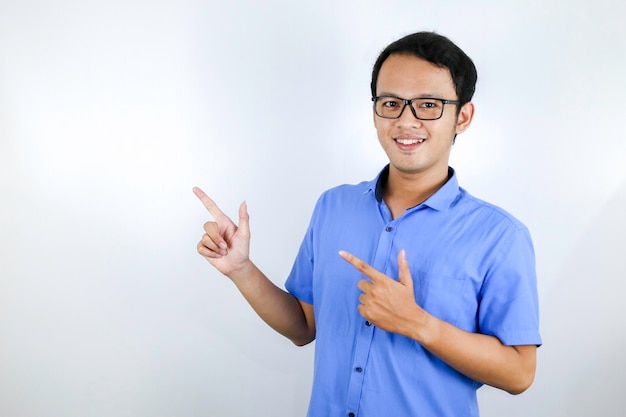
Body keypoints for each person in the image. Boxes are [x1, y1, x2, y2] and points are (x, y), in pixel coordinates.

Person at [193, 31, 541, 417]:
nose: (406, 121)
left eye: (428, 105)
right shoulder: (333, 206)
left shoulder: (500, 236)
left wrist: (419, 324)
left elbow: (520, 373)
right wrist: (241, 270)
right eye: (391, 103)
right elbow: (302, 327)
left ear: (463, 117)